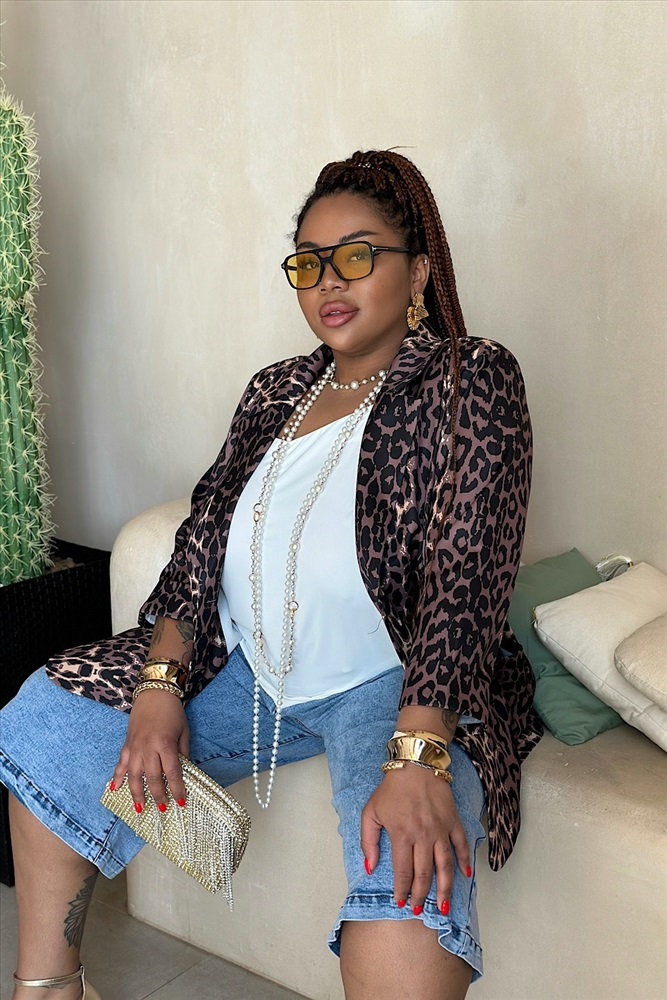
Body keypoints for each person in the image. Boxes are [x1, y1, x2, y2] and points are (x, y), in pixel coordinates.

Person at [0, 149, 542, 1000]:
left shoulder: (467, 377)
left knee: (405, 868)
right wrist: (159, 683)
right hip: (248, 667)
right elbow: (200, 539)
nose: (330, 280)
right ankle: (49, 988)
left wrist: (418, 753)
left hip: (394, 678)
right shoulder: (274, 391)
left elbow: (466, 573)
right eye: (309, 261)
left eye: (357, 254)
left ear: (417, 272)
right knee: (46, 716)